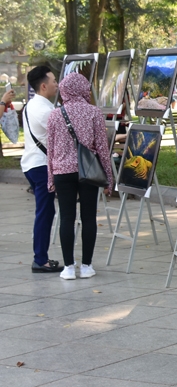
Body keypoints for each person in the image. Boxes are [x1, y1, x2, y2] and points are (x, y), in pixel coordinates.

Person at [46, 73, 114, 280]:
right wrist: (108, 178)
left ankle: (68, 267)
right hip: (89, 171)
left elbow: (51, 150)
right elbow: (102, 148)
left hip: (62, 172)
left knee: (66, 217)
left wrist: (51, 178)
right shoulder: (94, 112)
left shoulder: (55, 115)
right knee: (88, 217)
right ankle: (86, 265)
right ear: (84, 89)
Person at [20, 67, 64, 274]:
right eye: (54, 80)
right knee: (45, 213)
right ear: (44, 85)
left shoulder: (35, 104)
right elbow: (65, 134)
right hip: (40, 166)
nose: (57, 84)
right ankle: (40, 259)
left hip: (33, 163)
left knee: (45, 212)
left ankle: (41, 257)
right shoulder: (44, 109)